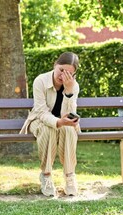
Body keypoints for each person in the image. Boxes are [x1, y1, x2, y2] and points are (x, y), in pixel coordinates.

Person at [20, 52, 80, 197]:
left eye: (69, 73)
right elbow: (41, 112)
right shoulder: (40, 81)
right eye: (61, 70)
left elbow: (69, 113)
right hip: (39, 120)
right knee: (48, 130)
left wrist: (69, 91)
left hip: (62, 122)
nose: (63, 76)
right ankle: (46, 175)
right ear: (55, 65)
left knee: (69, 130)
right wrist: (58, 122)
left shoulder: (74, 86)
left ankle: (69, 175)